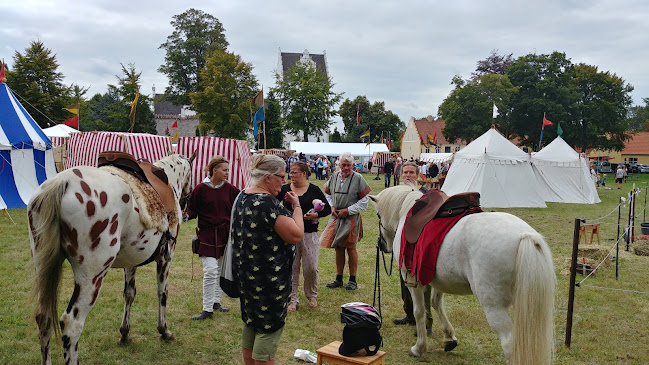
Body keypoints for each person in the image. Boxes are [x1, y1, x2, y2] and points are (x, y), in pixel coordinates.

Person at [232, 154, 304, 365]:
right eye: (281, 177)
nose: (284, 182)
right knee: (268, 329)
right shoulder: (268, 204)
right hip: (269, 282)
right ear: (267, 177)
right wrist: (297, 207)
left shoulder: (242, 196)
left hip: (246, 277)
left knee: (251, 324)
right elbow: (296, 234)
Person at [185, 156, 240, 320]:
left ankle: (216, 302)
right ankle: (207, 309)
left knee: (220, 270)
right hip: (207, 234)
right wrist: (184, 216)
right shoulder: (201, 189)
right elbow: (192, 210)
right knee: (210, 270)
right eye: (225, 169)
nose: (227, 173)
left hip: (225, 235)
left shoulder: (231, 189)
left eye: (228, 170)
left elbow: (240, 206)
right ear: (214, 170)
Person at [277, 161, 331, 312]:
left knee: (311, 267)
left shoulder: (313, 190)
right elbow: (274, 205)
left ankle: (311, 295)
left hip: (309, 233)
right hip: (290, 233)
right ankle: (292, 299)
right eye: (290, 172)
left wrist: (316, 214)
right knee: (291, 267)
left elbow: (326, 208)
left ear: (304, 173)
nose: (291, 175)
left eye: (295, 172)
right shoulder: (285, 189)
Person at [392, 161, 433, 335]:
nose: (408, 175)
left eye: (411, 172)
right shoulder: (397, 195)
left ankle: (427, 321)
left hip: (420, 244)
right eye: (405, 172)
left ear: (417, 175)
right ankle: (409, 314)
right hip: (402, 243)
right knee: (404, 280)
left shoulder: (425, 195)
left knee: (422, 282)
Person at [321, 152, 371, 290]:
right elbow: (327, 193)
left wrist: (347, 211)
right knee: (338, 247)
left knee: (350, 247)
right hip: (336, 216)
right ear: (339, 165)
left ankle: (352, 280)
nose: (346, 168)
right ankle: (338, 278)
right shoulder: (334, 177)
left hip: (351, 218)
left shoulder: (358, 178)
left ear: (353, 165)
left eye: (349, 165)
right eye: (344, 165)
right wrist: (331, 206)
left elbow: (364, 202)